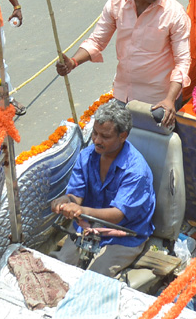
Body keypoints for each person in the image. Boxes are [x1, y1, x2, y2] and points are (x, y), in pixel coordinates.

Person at [57, 0, 189, 127]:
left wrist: (170, 100)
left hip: (158, 102)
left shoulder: (174, 13)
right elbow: (97, 41)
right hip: (123, 95)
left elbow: (182, 62)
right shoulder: (117, 2)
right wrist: (73, 62)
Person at [51, 98, 156, 278]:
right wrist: (66, 201)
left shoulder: (136, 171)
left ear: (123, 136)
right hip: (89, 226)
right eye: (95, 134)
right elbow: (76, 195)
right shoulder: (87, 156)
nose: (97, 140)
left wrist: (81, 210)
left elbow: (117, 215)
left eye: (105, 137)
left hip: (125, 235)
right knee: (60, 270)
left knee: (93, 278)